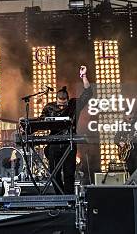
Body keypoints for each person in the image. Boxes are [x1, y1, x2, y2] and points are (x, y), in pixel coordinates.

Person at [40, 65, 92, 194]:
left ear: (68, 100)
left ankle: (69, 199)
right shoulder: (49, 107)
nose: (61, 105)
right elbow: (40, 122)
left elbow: (88, 93)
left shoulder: (74, 104)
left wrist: (84, 76)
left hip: (69, 143)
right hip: (54, 143)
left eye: (64, 103)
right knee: (54, 173)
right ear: (56, 100)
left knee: (69, 172)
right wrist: (27, 127)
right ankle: (60, 198)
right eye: (59, 103)